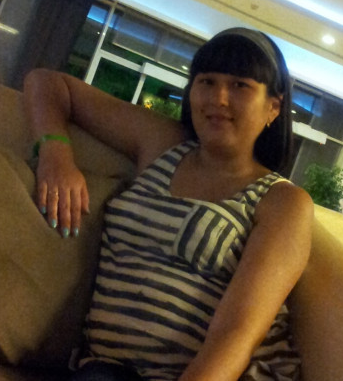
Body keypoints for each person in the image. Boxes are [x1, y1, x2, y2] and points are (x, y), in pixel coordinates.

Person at [23, 28, 313, 380]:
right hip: (107, 371)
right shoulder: (163, 144)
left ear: (273, 107)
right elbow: (48, 83)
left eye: (240, 85)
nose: (218, 98)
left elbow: (236, 334)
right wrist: (54, 154)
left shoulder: (282, 201)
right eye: (206, 81)